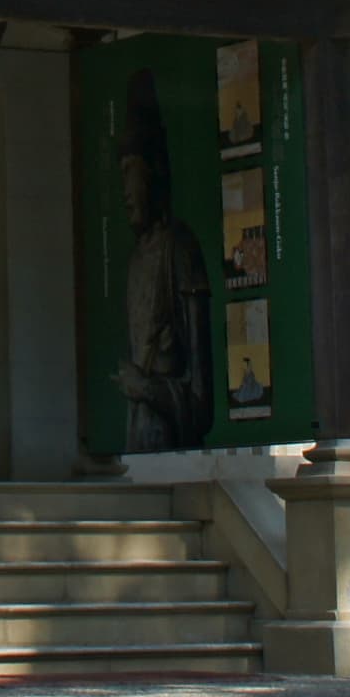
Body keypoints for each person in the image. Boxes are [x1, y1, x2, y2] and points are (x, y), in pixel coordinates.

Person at [113, 69, 215, 449]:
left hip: (171, 444)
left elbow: (202, 402)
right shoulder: (137, 260)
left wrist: (145, 387)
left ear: (153, 171)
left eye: (129, 173)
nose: (125, 192)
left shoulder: (179, 249)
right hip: (138, 440)